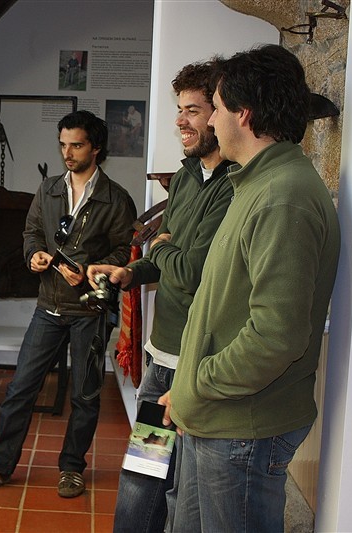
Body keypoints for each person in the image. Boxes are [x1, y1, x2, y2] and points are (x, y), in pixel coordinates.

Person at [160, 44, 341, 532]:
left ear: (244, 113)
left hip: (242, 429)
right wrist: (188, 391)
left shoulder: (283, 197)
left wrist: (197, 383)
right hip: (219, 417)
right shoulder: (257, 184)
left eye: (215, 106)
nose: (210, 119)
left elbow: (276, 337)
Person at [0, 110, 136, 498]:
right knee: (20, 389)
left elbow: (126, 252)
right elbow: (32, 233)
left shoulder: (116, 199)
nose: (67, 153)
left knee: (85, 396)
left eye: (77, 145)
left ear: (96, 147)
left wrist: (91, 269)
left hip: (89, 311)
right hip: (49, 307)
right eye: (63, 145)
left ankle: (72, 468)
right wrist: (34, 255)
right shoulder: (49, 189)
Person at [87, 60, 233, 532]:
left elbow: (191, 271)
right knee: (143, 472)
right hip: (162, 354)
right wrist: (131, 270)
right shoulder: (190, 174)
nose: (181, 121)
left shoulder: (236, 185)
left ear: (222, 113)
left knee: (178, 490)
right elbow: (170, 252)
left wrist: (162, 247)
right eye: (179, 109)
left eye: (193, 110)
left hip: (193, 366)